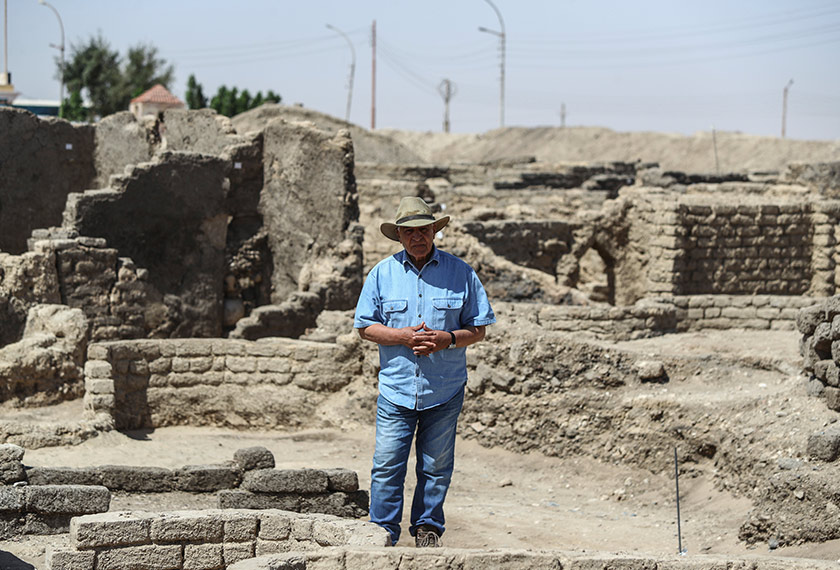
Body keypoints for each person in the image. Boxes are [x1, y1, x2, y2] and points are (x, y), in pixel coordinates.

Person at [354, 196, 496, 547]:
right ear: (399, 236)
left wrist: (445, 339)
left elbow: (478, 330)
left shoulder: (461, 273)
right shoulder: (381, 274)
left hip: (444, 389)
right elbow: (364, 327)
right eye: (410, 232)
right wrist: (402, 337)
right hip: (396, 389)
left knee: (435, 467)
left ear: (435, 231)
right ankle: (382, 532)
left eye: (424, 230)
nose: (418, 237)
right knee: (387, 465)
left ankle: (428, 528)